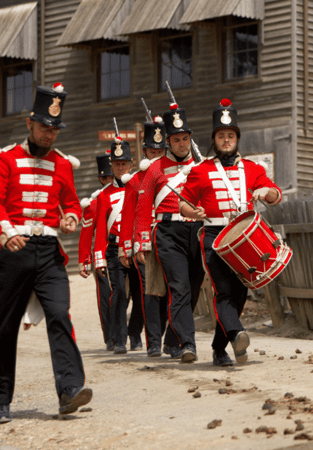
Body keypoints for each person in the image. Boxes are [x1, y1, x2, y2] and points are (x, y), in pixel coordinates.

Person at [0, 83, 92, 424]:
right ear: (29, 124)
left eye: (54, 130)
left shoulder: (63, 164)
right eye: (44, 128)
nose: (49, 135)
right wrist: (6, 232)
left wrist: (71, 217)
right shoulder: (5, 159)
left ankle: (69, 390)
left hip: (49, 250)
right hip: (15, 249)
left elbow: (72, 202)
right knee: (4, 325)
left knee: (60, 314)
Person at [179, 98, 282, 367]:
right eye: (221, 135)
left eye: (231, 135)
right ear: (214, 139)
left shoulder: (253, 168)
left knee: (238, 295)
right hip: (214, 236)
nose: (227, 140)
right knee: (223, 291)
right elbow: (183, 203)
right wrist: (192, 213)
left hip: (244, 235)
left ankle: (218, 348)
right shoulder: (200, 171)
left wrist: (265, 192)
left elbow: (276, 194)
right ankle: (237, 334)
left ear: (237, 138)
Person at [134, 101, 205, 363]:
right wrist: (141, 242)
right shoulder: (154, 168)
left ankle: (173, 338)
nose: (182, 144)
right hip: (167, 231)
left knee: (195, 285)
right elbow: (143, 206)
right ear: (168, 141)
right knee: (180, 287)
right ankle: (188, 343)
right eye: (176, 140)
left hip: (195, 230)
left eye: (185, 139)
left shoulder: (200, 167)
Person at [119, 115, 178, 357]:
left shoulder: (173, 175)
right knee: (151, 293)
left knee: (174, 291)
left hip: (171, 238)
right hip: (146, 243)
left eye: (160, 150)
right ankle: (153, 341)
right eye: (151, 151)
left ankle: (170, 339)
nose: (155, 155)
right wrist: (127, 246)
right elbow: (127, 216)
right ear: (144, 151)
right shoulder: (135, 181)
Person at [93, 132, 143, 354]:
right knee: (120, 293)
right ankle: (120, 339)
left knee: (142, 294)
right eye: (117, 164)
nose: (121, 168)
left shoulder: (141, 188)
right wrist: (99, 259)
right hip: (114, 250)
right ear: (111, 166)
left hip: (137, 248)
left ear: (131, 164)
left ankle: (134, 333)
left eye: (124, 164)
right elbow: (101, 230)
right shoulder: (103, 195)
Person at [78, 151, 114, 350]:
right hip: (103, 254)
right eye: (108, 177)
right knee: (106, 296)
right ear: (101, 179)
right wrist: (84, 259)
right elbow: (86, 234)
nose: (112, 180)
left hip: (125, 251)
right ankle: (110, 336)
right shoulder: (92, 204)